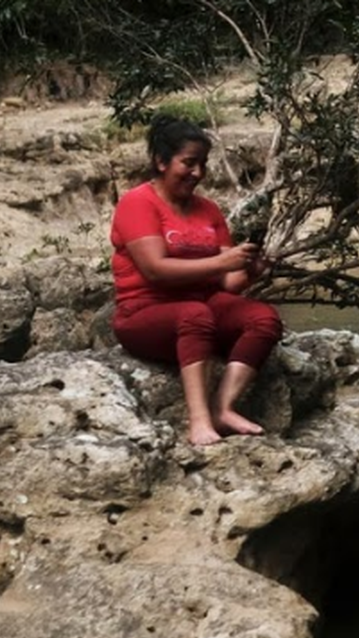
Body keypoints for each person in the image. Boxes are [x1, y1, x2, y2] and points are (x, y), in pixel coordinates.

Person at [109, 115, 282, 446]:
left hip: (201, 305)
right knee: (194, 314)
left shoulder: (209, 210)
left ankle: (223, 408)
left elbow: (230, 283)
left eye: (202, 164)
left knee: (263, 318)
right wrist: (220, 261)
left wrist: (252, 270)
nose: (198, 173)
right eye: (188, 163)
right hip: (143, 312)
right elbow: (155, 270)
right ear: (161, 161)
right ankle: (199, 422)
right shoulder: (138, 202)